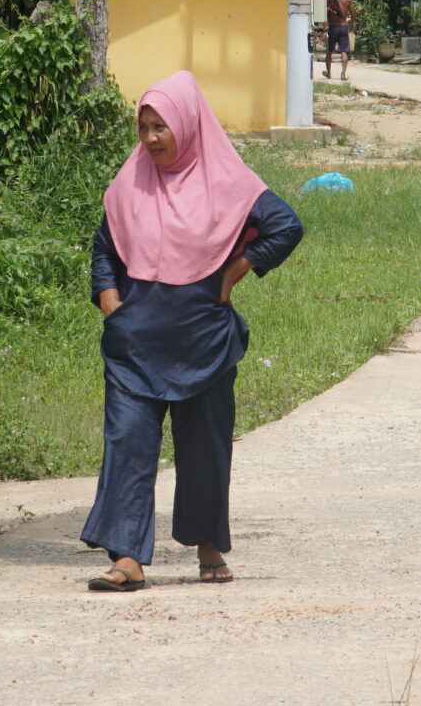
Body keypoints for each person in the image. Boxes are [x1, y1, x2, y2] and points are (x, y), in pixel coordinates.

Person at [80, 71, 304, 592]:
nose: (152, 138)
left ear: (188, 124)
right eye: (144, 127)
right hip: (134, 345)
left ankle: (207, 546)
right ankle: (128, 558)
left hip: (203, 343)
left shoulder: (229, 181)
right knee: (128, 443)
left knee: (204, 448)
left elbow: (286, 226)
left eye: (162, 127)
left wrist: (234, 272)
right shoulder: (129, 182)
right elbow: (104, 249)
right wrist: (112, 304)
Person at [323, 0, 357, 79]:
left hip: (333, 26)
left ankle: (329, 73)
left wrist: (325, 29)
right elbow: (353, 14)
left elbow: (325, 14)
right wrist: (352, 27)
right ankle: (343, 74)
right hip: (343, 27)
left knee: (329, 51)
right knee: (344, 51)